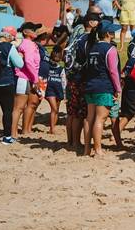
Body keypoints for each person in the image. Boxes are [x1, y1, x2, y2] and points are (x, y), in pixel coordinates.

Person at [81, 20, 123, 157]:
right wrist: (118, 88)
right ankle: (98, 149)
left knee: (89, 118)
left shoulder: (92, 47)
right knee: (100, 119)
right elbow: (113, 71)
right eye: (112, 31)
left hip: (90, 86)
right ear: (107, 34)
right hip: (103, 86)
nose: (114, 33)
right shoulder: (110, 49)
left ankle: (87, 148)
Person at [65, 12, 100, 148]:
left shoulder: (77, 38)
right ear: (91, 23)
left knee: (73, 111)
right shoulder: (88, 39)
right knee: (80, 113)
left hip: (73, 77)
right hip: (82, 78)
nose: (99, 24)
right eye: (97, 21)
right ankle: (76, 142)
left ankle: (71, 141)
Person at [12, 22, 45, 138]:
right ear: (25, 32)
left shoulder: (28, 44)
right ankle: (13, 133)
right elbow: (29, 62)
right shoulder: (28, 44)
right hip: (24, 77)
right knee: (19, 107)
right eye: (32, 29)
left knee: (23, 106)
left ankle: (17, 131)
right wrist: (35, 79)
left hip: (27, 77)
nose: (35, 31)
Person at [44, 46, 66, 135]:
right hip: (50, 90)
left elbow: (64, 82)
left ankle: (53, 126)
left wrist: (64, 94)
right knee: (54, 108)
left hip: (58, 90)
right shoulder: (47, 67)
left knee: (56, 110)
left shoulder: (61, 69)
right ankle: (52, 128)